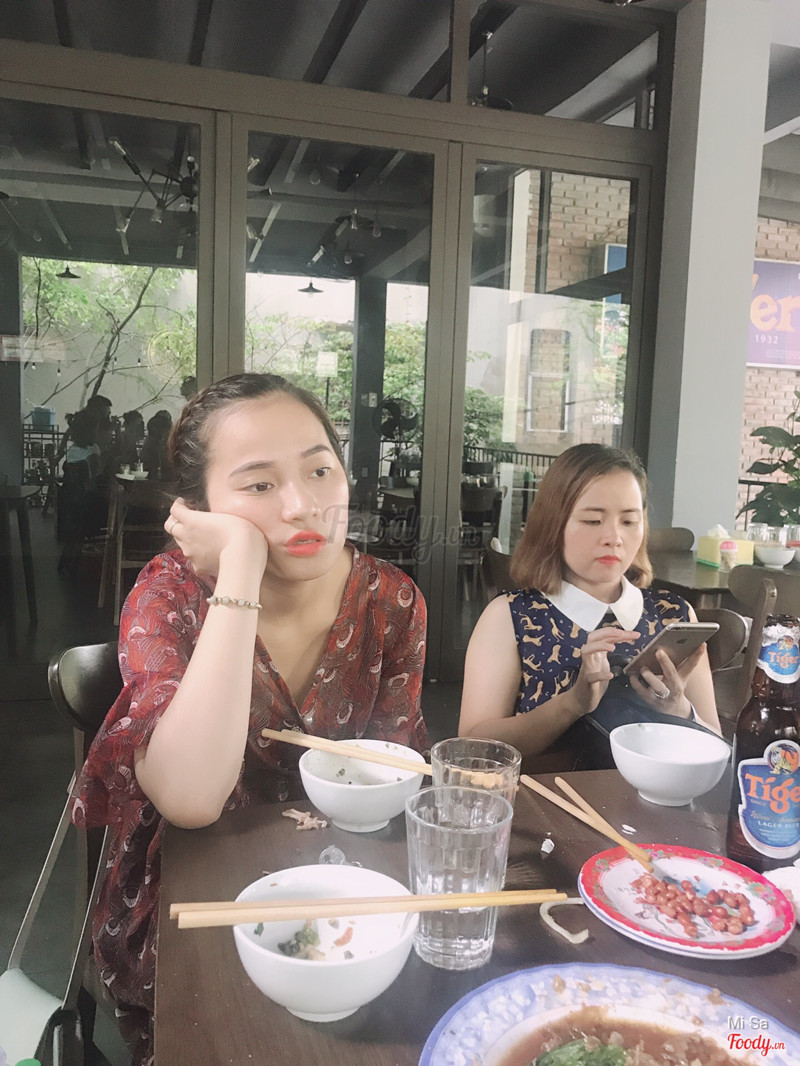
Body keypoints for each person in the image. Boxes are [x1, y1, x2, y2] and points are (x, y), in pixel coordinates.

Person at [71, 373, 429, 1065]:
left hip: (349, 896)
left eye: (320, 470)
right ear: (197, 511)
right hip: (195, 904)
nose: (304, 505)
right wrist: (239, 570)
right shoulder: (170, 596)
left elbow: (390, 779)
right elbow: (191, 798)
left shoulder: (392, 600)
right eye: (259, 484)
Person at [459, 444, 720, 766]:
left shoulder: (674, 616)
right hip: (545, 796)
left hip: (657, 798)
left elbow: (716, 741)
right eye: (593, 520)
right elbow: (470, 747)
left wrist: (680, 710)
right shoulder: (511, 617)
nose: (614, 537)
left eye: (629, 521)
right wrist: (573, 704)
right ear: (553, 524)